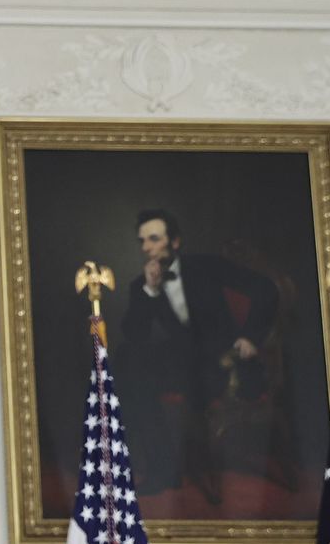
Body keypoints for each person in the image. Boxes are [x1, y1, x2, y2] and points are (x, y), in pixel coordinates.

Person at [119, 208, 279, 502]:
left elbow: (266, 289)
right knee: (131, 372)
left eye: (154, 239)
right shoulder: (141, 286)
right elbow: (134, 336)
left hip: (228, 364)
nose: (146, 248)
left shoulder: (207, 267)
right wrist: (151, 291)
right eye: (142, 241)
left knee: (149, 370)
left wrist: (250, 337)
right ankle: (163, 469)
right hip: (186, 366)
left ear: (175, 242)